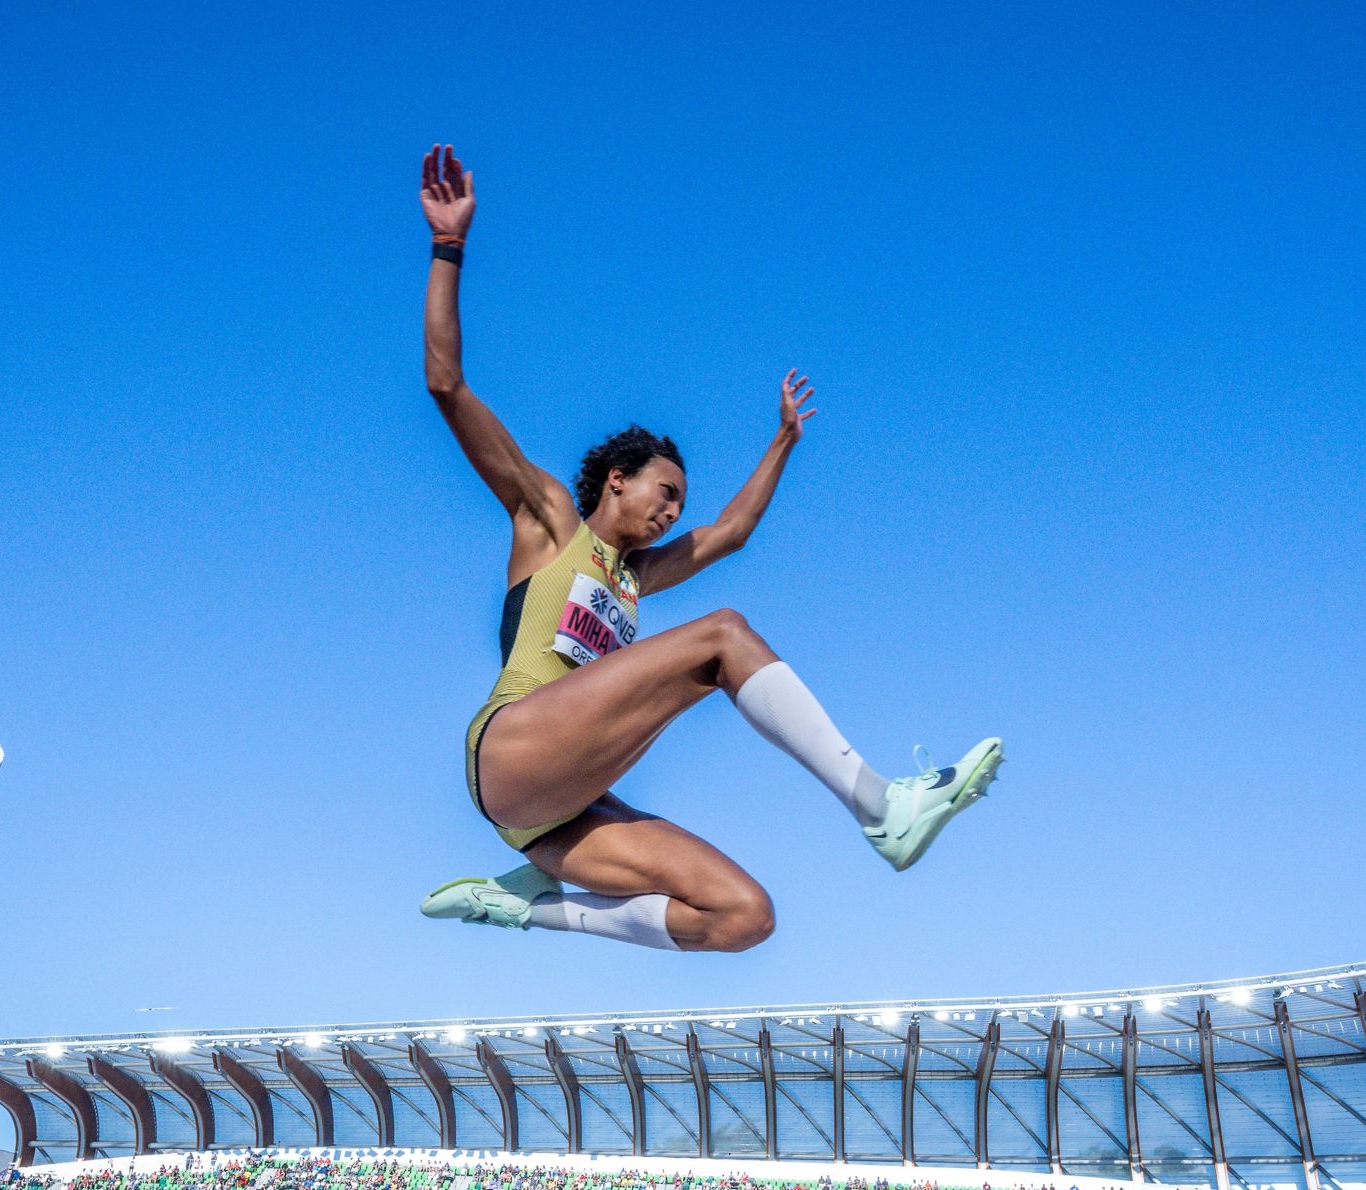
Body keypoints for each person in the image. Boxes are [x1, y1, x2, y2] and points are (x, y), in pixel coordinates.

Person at [415, 144, 1003, 953]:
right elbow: (446, 383)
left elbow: (732, 532)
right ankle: (880, 806)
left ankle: (522, 907)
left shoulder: (635, 578)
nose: (671, 514)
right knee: (722, 635)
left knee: (743, 917)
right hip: (514, 751)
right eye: (663, 494)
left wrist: (783, 441)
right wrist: (448, 246)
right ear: (617, 480)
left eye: (679, 506)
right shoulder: (548, 520)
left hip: (555, 816)